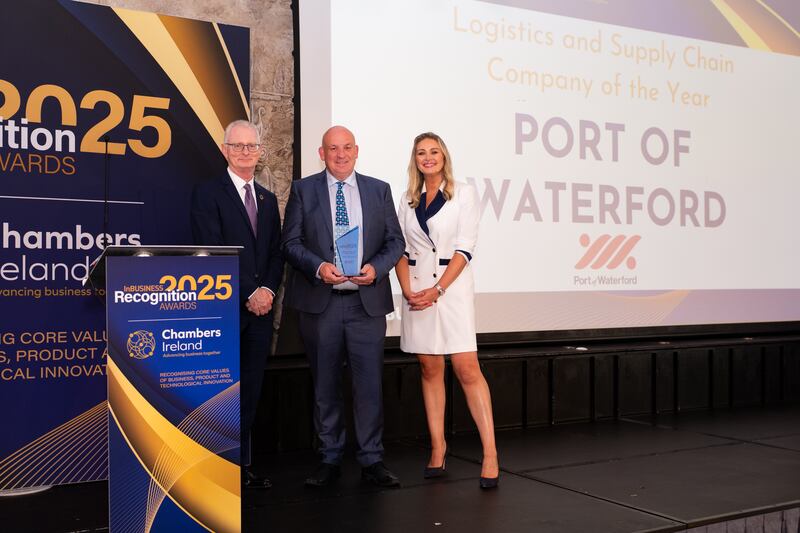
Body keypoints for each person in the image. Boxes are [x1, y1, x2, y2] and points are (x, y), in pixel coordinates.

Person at [281, 125, 405, 487]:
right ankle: (330, 458)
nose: (340, 154)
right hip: (321, 305)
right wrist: (319, 267)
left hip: (366, 304)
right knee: (325, 386)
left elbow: (395, 242)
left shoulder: (378, 190)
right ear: (322, 153)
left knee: (369, 387)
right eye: (332, 148)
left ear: (357, 150)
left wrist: (377, 269)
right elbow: (290, 242)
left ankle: (371, 460)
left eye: (347, 147)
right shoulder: (304, 190)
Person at [394, 132, 499, 489]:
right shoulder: (407, 200)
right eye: (421, 153)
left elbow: (465, 248)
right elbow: (402, 251)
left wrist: (437, 289)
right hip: (417, 293)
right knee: (429, 366)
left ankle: (490, 454)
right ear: (415, 159)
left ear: (444, 156)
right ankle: (438, 448)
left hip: (450, 291)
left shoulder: (465, 192)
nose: (428, 158)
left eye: (434, 152)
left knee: (467, 368)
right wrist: (409, 291)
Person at [190, 120, 283, 489]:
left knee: (250, 392)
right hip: (226, 310)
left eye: (251, 146)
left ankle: (240, 468)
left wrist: (269, 292)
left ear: (260, 152)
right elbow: (211, 249)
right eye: (238, 145)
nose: (245, 152)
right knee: (222, 394)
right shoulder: (207, 193)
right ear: (226, 149)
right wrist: (249, 292)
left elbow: (275, 254)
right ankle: (218, 471)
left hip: (261, 316)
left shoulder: (268, 199)